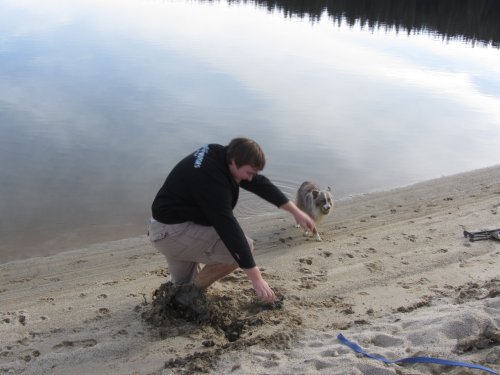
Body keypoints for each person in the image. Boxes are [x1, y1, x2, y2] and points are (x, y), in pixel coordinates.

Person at [148, 138, 316, 304]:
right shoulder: (212, 182)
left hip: (170, 226)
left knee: (179, 288)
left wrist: (296, 212)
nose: (251, 178)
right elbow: (228, 228)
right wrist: (256, 278)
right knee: (243, 248)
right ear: (234, 162)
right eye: (249, 173)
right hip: (171, 233)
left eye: (253, 173)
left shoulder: (221, 154)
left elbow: (260, 184)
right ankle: (190, 293)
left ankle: (181, 293)